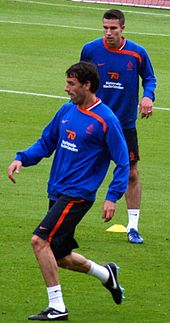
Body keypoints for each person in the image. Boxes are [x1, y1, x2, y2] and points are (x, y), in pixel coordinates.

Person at [8, 61, 129, 321]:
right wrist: (22, 158)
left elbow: (122, 161)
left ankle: (57, 307)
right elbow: (46, 142)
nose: (66, 89)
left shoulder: (106, 119)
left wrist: (112, 196)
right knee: (60, 256)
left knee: (39, 241)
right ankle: (107, 274)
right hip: (57, 190)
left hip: (78, 194)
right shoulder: (66, 111)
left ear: (87, 85)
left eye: (71, 84)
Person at [80, 9, 156, 244]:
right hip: (95, 123)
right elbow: (81, 79)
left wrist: (148, 97)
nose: (108, 32)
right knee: (81, 169)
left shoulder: (137, 53)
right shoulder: (91, 49)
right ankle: (65, 220)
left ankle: (133, 227)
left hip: (124, 125)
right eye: (105, 27)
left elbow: (150, 78)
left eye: (113, 28)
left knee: (132, 173)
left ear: (123, 28)